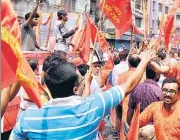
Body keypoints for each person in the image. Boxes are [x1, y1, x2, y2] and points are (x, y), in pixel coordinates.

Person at [10, 49, 156, 140]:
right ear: (75, 90)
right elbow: (129, 86)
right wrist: (144, 60)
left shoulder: (28, 117)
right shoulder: (93, 107)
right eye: (82, 81)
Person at [127, 63, 162, 140]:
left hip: (139, 127)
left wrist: (131, 125)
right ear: (157, 75)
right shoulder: (159, 92)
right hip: (153, 130)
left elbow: (130, 110)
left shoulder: (136, 88)